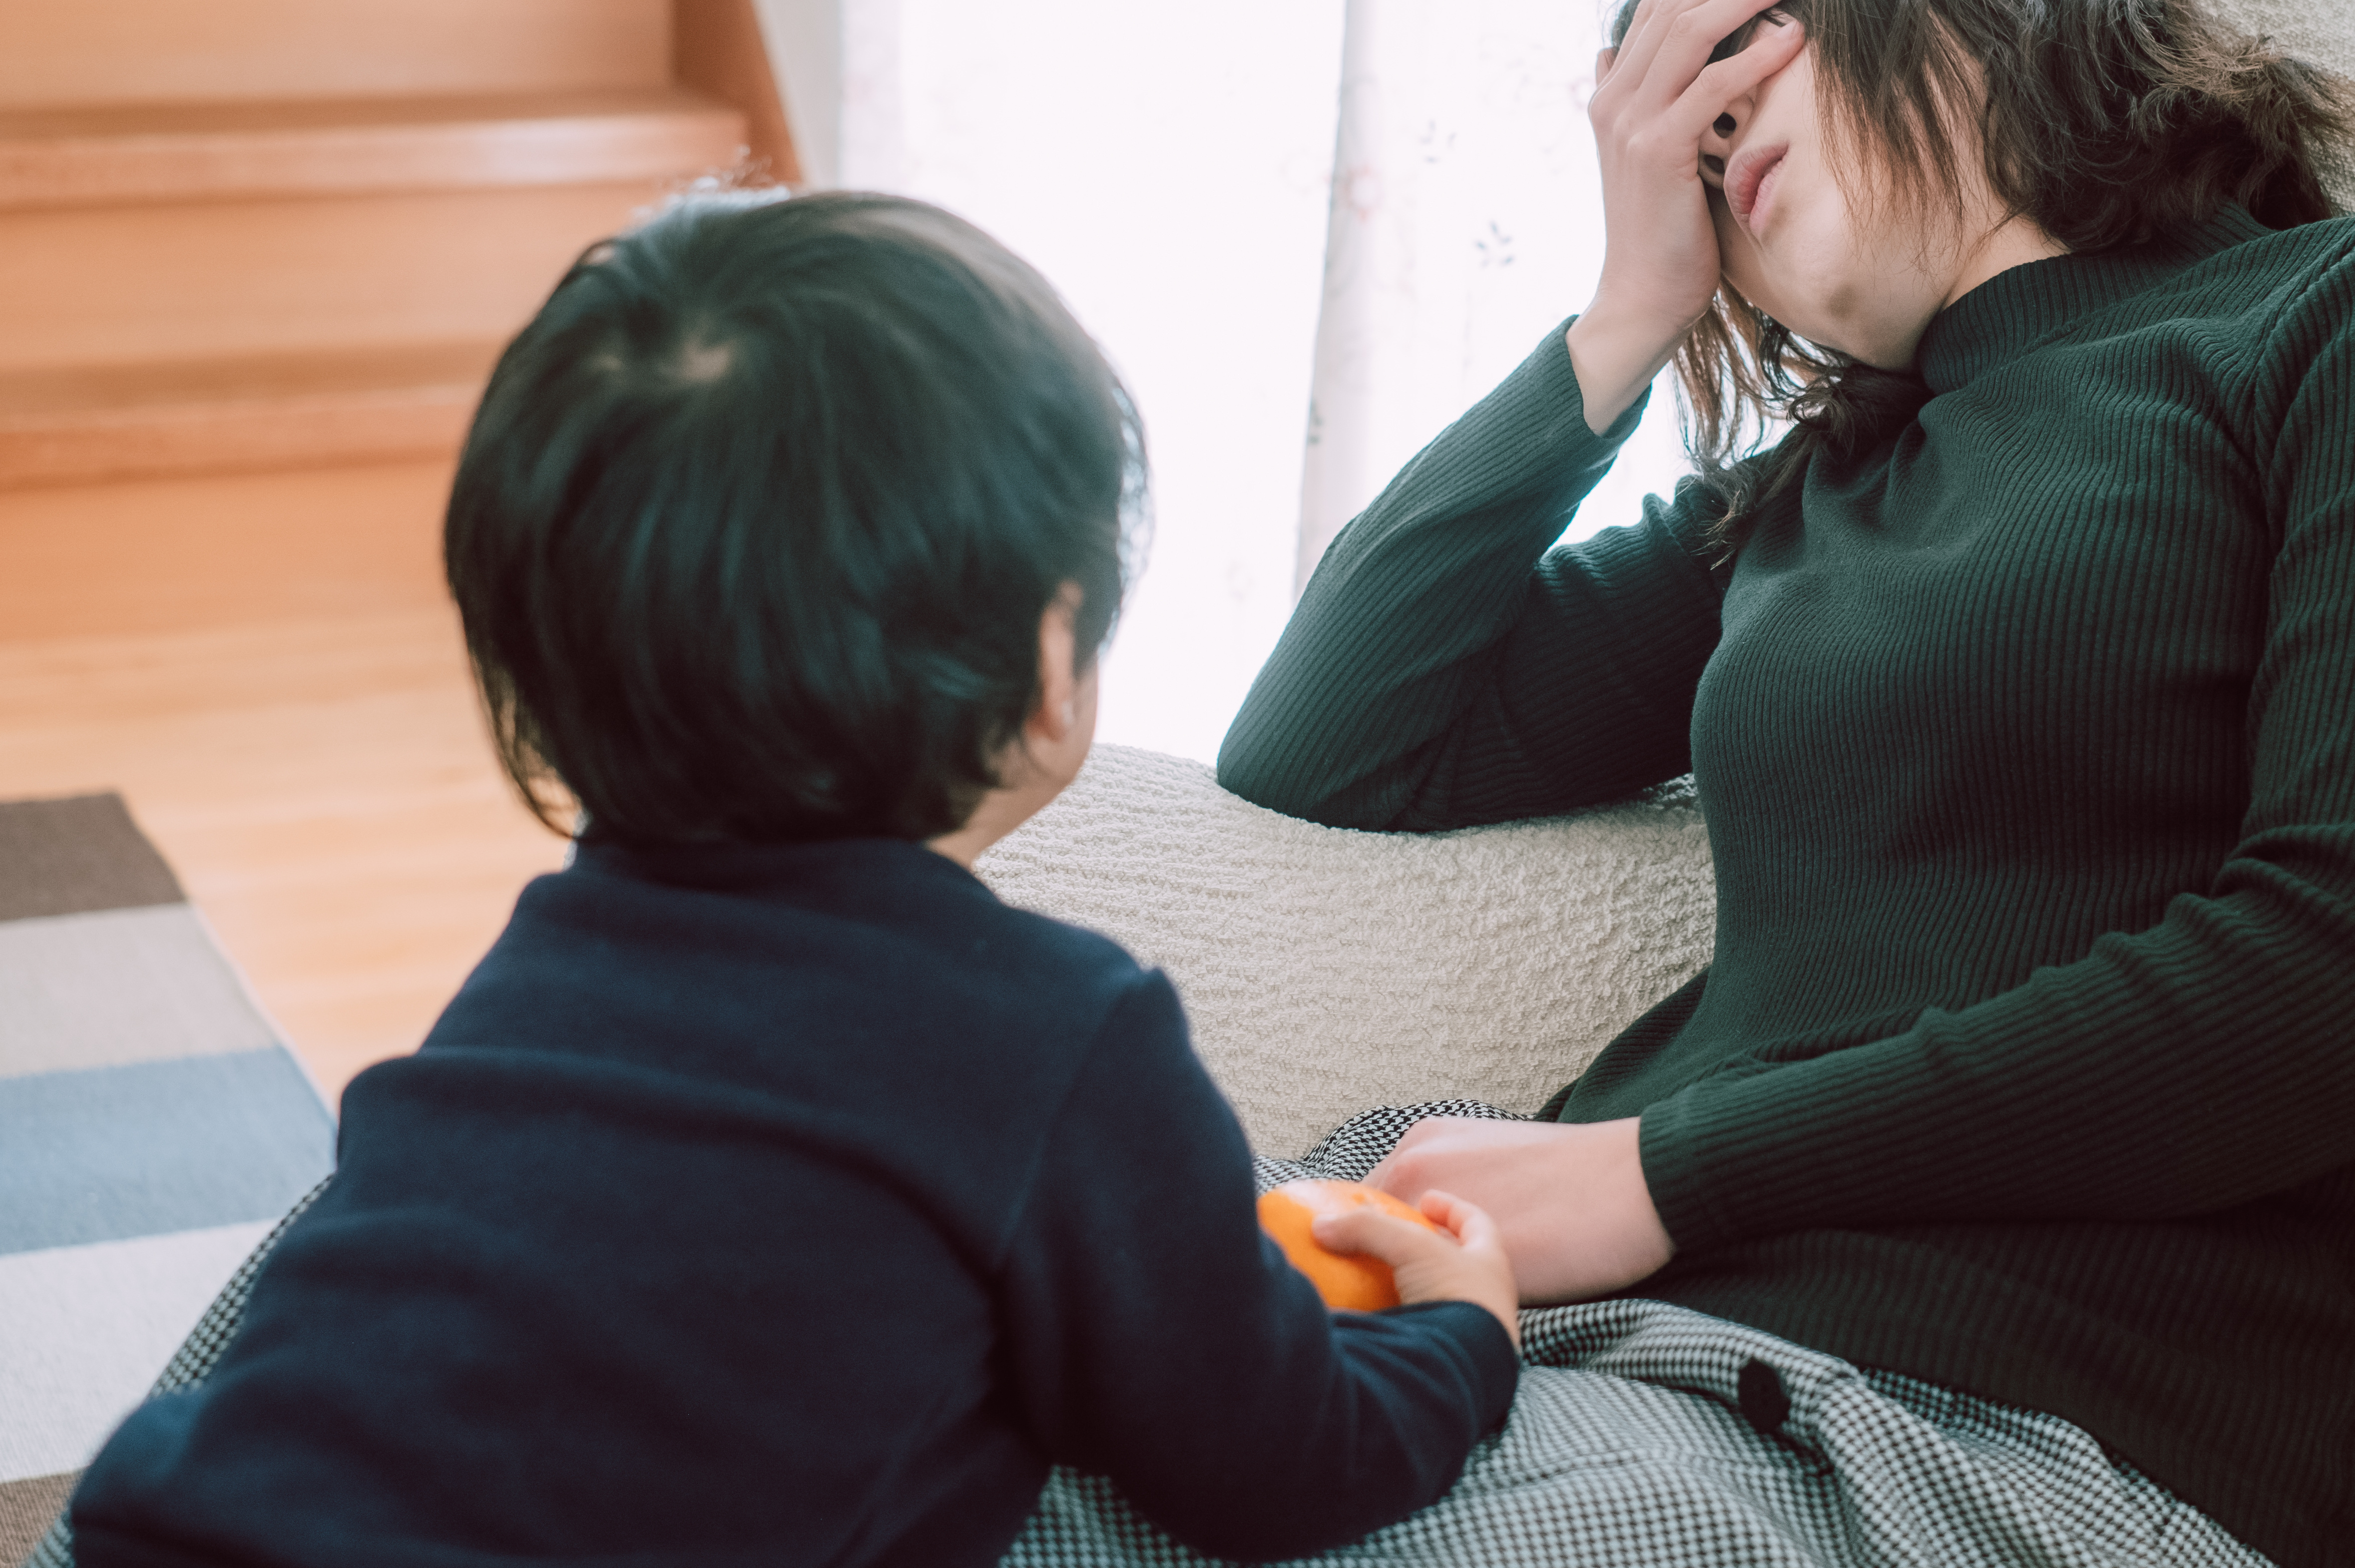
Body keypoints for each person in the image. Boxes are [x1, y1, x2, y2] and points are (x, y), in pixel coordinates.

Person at [1181, 0, 2355, 1568]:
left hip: (2008, 1434)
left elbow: (2347, 989)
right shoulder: (1806, 497)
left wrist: (1659, 1178)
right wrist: (1626, 315)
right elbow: (1331, 745)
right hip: (1565, 1343)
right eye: (1679, 125)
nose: (1704, 134)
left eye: (1732, 47)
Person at [60, 192, 1521, 1568]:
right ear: (1048, 671)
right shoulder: (1061, 1036)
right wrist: (1463, 1340)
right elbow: (1268, 1459)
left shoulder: (548, 960)